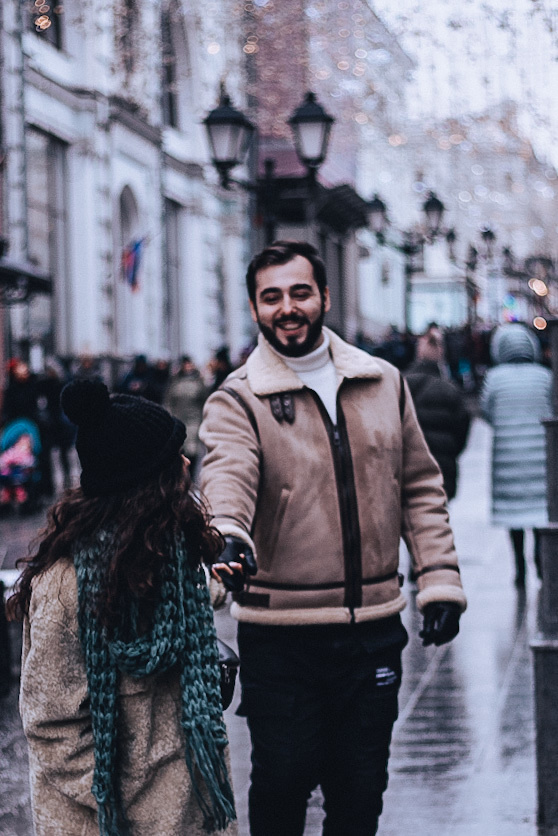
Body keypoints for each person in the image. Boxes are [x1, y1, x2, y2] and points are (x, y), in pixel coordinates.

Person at [199, 240, 467, 836]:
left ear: (323, 295)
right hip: (281, 638)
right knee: (281, 784)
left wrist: (440, 581)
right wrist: (227, 532)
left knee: (360, 793)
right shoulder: (239, 398)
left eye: (299, 292)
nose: (287, 307)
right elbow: (228, 473)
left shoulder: (383, 382)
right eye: (271, 297)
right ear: (255, 308)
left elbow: (420, 488)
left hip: (372, 631)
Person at [8, 378, 236, 835]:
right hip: (109, 820)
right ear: (145, 486)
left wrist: (216, 584)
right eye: (175, 459)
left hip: (188, 807)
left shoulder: (168, 554)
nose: (187, 463)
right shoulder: (65, 586)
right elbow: (52, 725)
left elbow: (175, 595)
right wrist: (126, 797)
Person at [480, 323, 552, 587]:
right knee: (539, 515)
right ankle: (541, 564)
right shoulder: (544, 376)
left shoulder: (494, 377)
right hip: (539, 458)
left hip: (507, 458)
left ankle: (519, 567)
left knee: (515, 518)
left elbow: (486, 411)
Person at [405, 327, 471, 501]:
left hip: (407, 467)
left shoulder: (400, 384)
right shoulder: (450, 389)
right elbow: (462, 430)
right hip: (441, 468)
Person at [164, 355, 209, 477]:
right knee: (180, 448)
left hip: (194, 420)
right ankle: (182, 476)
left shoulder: (199, 382)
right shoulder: (175, 381)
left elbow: (205, 401)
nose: (188, 367)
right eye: (186, 364)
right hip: (179, 418)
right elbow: (169, 400)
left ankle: (191, 476)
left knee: (192, 449)